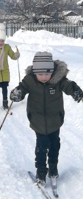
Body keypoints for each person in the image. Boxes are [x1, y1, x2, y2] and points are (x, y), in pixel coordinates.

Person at [10, 51, 83, 186]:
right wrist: (17, 94)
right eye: (40, 74)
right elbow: (22, 88)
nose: (44, 77)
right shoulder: (30, 81)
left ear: (53, 71)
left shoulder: (58, 80)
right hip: (38, 121)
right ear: (35, 72)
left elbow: (68, 85)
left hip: (55, 121)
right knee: (41, 147)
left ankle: (53, 168)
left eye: (47, 74)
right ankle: (41, 172)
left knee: (55, 146)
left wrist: (76, 91)